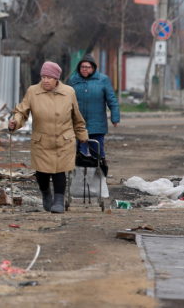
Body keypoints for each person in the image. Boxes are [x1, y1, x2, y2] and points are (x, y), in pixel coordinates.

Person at [8, 61, 89, 213]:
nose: (45, 80)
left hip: (63, 139)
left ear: (56, 79)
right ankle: (46, 194)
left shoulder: (69, 92)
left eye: (49, 77)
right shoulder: (33, 91)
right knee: (42, 172)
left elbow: (76, 116)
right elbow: (21, 111)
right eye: (43, 77)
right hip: (42, 139)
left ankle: (59, 200)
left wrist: (82, 134)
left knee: (60, 170)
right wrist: (15, 122)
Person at [66, 54, 120, 173]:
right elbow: (65, 100)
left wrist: (115, 117)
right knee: (79, 151)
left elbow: (111, 99)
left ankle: (100, 174)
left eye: (88, 67)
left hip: (97, 123)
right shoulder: (73, 81)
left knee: (97, 150)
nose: (85, 69)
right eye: (82, 67)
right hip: (78, 124)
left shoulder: (103, 80)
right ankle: (79, 177)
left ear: (93, 68)